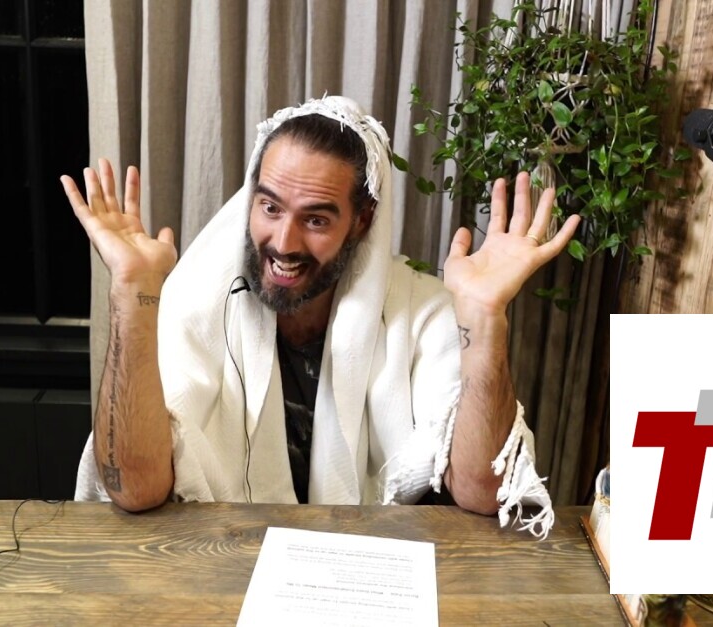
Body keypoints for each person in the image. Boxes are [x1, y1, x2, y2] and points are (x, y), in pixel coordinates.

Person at [62, 96, 579, 537]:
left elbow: (486, 491)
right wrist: (131, 291)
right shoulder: (197, 304)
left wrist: (485, 317)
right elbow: (133, 487)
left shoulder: (422, 313)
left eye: (315, 219)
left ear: (362, 221)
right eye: (270, 208)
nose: (284, 243)